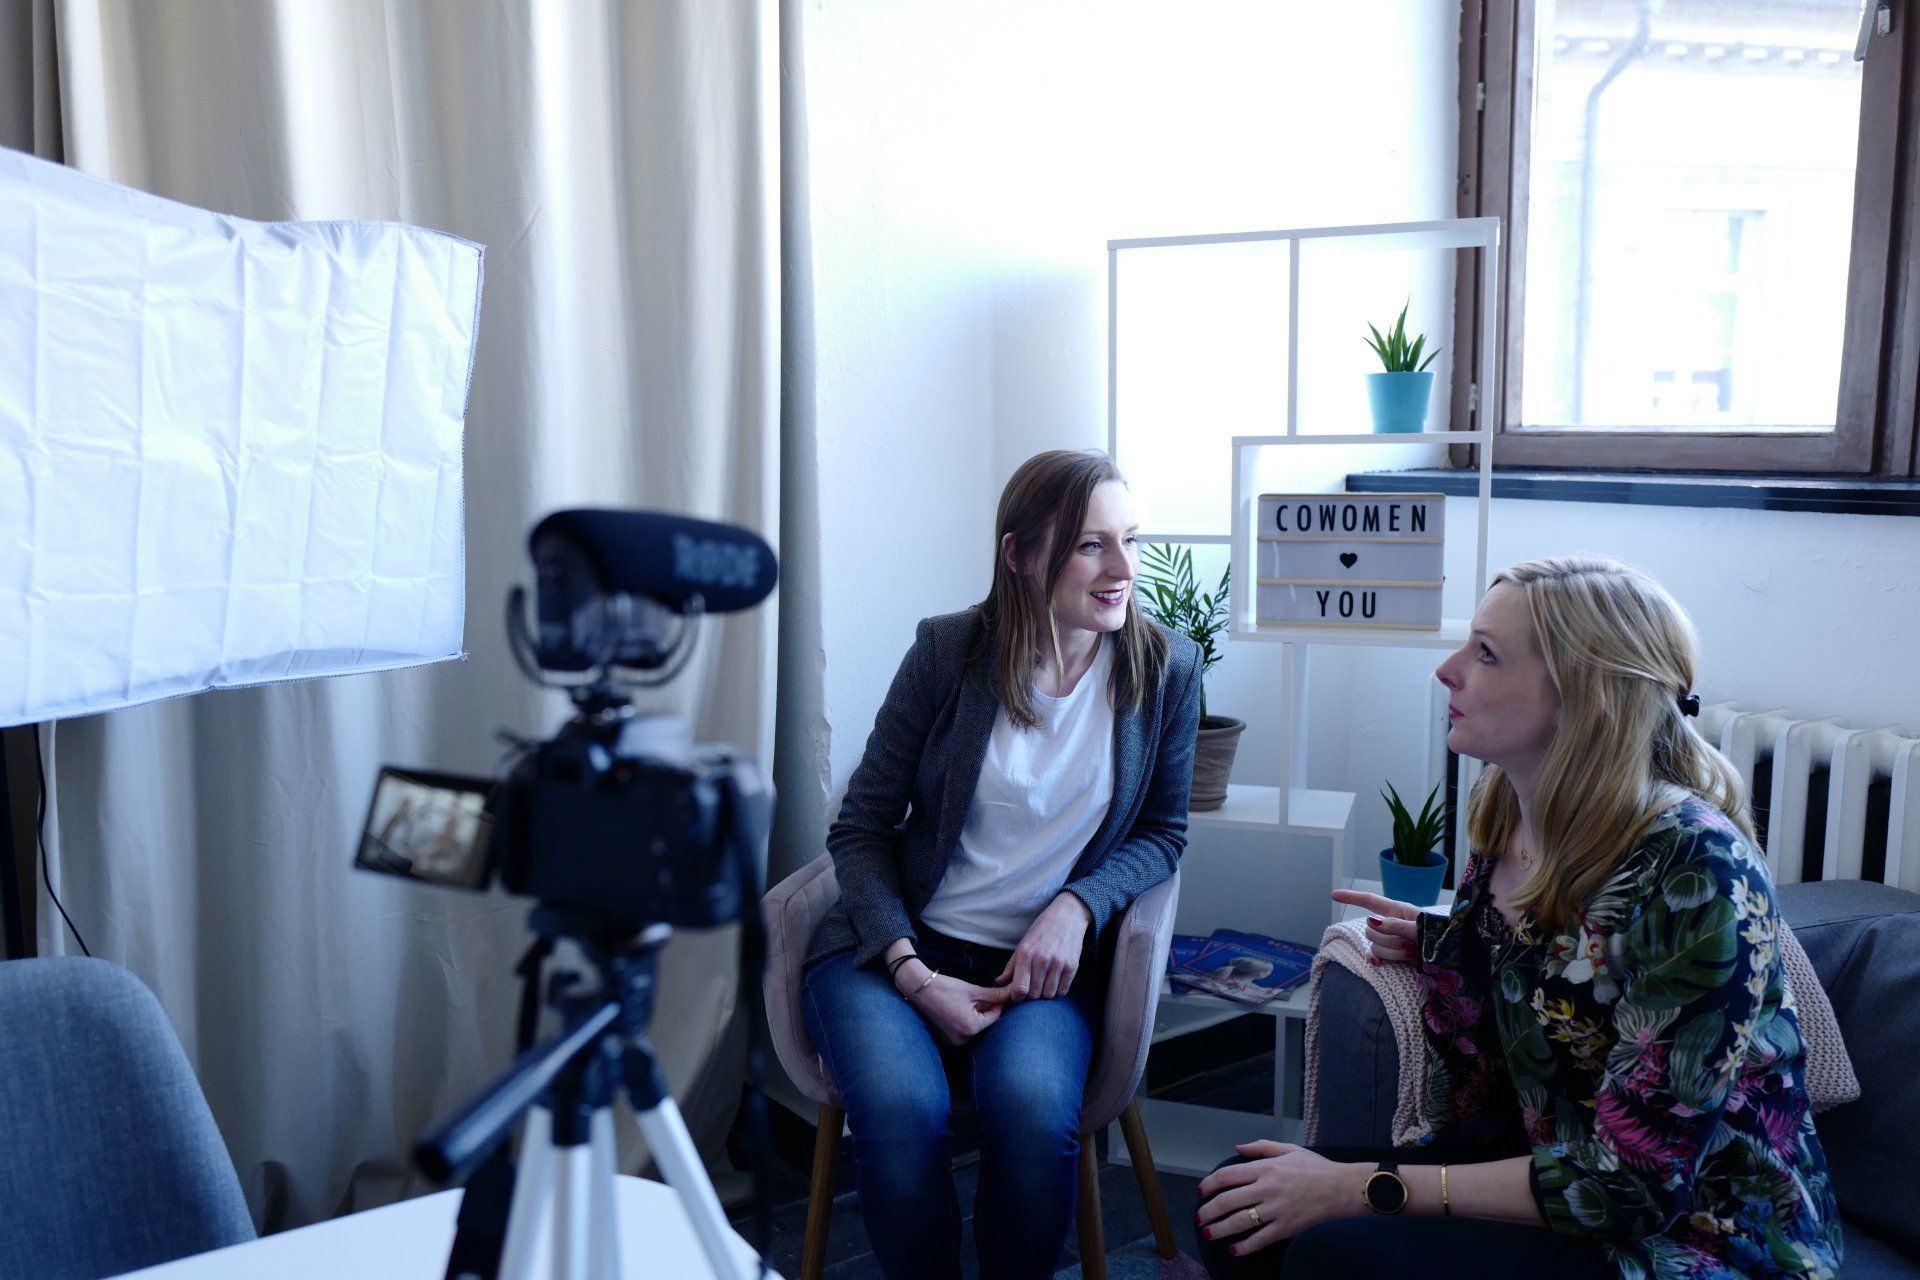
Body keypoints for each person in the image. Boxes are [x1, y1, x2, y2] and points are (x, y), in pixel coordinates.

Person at [1193, 555, 1842, 1279]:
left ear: (1582, 697)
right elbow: (1561, 970)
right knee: (1236, 1201)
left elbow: (1634, 1183)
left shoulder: (1697, 870)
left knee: (1334, 1251)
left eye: (1485, 653)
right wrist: (1450, 944)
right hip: (1545, 1168)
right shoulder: (1508, 812)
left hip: (1684, 1233)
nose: (1447, 669)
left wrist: (1362, 1187)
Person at [803, 448, 1203, 1280]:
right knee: (902, 1114)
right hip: (892, 953)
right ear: (1020, 554)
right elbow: (863, 828)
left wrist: (1077, 906)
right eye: (1092, 546)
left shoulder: (1165, 668)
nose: (1124, 569)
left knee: (1031, 1114)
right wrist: (912, 971)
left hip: (1039, 973)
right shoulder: (949, 653)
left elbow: (1163, 831)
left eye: (1130, 539)